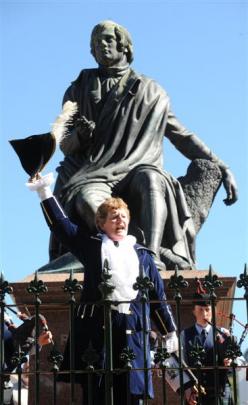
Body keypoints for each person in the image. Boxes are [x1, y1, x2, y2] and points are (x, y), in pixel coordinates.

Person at [49, 20, 238, 270]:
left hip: (136, 168)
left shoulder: (150, 91)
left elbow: (181, 135)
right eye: (95, 43)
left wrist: (222, 166)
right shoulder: (77, 89)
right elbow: (65, 145)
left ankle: (152, 255)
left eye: (107, 39)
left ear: (124, 46)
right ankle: (124, 250)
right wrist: (81, 137)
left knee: (151, 179)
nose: (101, 45)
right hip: (92, 175)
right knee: (87, 199)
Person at [27, 172, 178, 405]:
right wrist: (44, 191)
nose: (121, 221)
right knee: (97, 395)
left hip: (134, 335)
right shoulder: (93, 247)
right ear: (102, 223)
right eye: (114, 217)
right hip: (98, 337)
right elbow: (61, 226)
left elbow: (157, 297)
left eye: (124, 217)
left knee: (132, 396)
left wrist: (170, 331)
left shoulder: (144, 256)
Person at [180, 285, 233, 405]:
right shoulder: (185, 334)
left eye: (208, 310)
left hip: (220, 391)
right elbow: (182, 364)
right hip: (195, 392)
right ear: (194, 311)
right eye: (200, 310)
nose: (204, 314)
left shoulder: (223, 333)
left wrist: (230, 361)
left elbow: (238, 359)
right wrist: (187, 389)